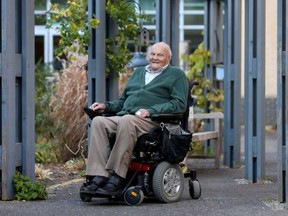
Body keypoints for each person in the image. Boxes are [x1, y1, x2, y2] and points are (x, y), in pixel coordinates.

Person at [80, 42, 189, 196]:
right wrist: (106, 106)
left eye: (160, 55)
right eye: (152, 54)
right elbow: (123, 101)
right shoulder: (138, 73)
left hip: (155, 121)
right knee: (98, 122)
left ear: (168, 59)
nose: (155, 57)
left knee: (127, 120)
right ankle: (98, 175)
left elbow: (179, 104)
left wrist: (150, 111)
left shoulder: (176, 75)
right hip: (128, 116)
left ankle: (117, 176)